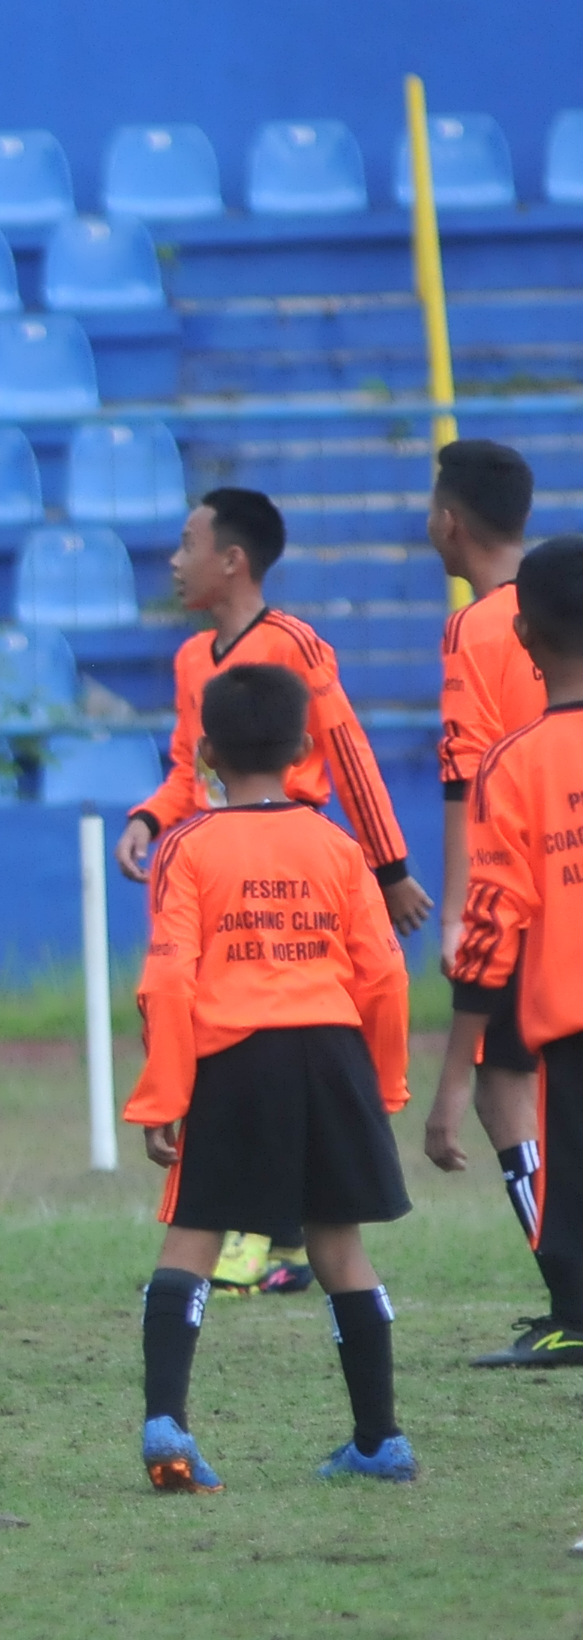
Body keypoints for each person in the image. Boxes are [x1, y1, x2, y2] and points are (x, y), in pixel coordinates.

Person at [114, 486, 428, 1296]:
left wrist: (389, 870)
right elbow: (190, 768)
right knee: (228, 1033)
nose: (175, 563)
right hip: (213, 866)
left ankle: (270, 1232)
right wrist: (151, 817)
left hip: (294, 857)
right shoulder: (192, 660)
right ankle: (259, 1224)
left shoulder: (294, 643)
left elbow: (347, 750)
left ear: (233, 559)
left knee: (289, 1022)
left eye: (187, 544)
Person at [123, 662, 417, 1490]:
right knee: (338, 1245)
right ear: (300, 750)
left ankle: (166, 1428)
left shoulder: (188, 846)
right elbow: (386, 977)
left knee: (194, 1235)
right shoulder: (336, 845)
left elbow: (168, 981)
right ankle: (380, 1440)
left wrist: (164, 1093)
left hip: (233, 1056)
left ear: (206, 751)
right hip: (330, 1053)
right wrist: (384, 1084)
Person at [445, 535, 583, 1369]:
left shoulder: (516, 762)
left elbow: (494, 924)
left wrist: (455, 1074)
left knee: (568, 1177)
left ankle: (572, 1317)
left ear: (523, 634)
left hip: (568, 1018)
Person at [422, 442, 550, 1297]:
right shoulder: (560, 604)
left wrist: (460, 911)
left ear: (449, 521)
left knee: (505, 1086)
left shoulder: (476, 627)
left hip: (522, 886)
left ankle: (568, 1283)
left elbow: (468, 774)